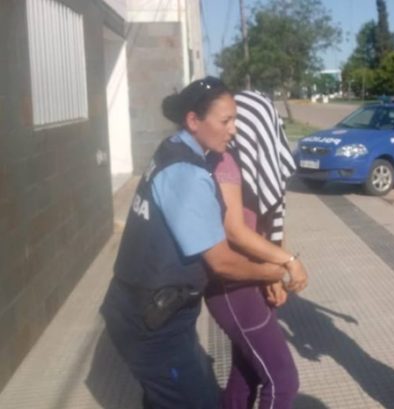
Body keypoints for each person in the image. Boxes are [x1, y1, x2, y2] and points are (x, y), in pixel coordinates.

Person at [100, 77, 286, 409]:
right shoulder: (187, 174)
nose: (233, 130)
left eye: (235, 120)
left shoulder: (173, 147)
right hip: (152, 324)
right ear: (193, 120)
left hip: (151, 311)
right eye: (225, 121)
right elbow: (221, 262)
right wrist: (274, 270)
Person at [204, 90, 307, 409]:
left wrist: (272, 275)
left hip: (251, 278)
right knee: (283, 380)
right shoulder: (225, 163)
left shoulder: (251, 166)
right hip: (232, 286)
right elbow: (235, 232)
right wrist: (287, 262)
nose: (233, 128)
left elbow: (270, 218)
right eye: (229, 120)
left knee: (246, 373)